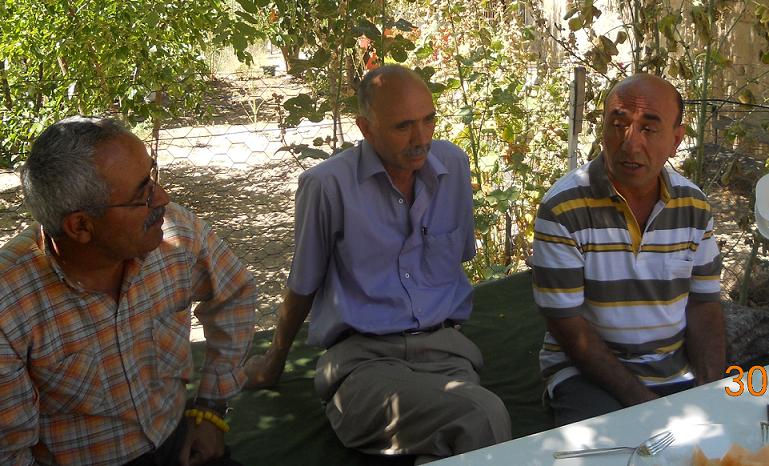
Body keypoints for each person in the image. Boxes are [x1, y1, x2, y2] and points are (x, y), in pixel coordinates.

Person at [244, 65, 511, 463]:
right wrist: (272, 364)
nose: (421, 138)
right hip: (363, 363)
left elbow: (454, 261)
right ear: (365, 129)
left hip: (448, 356)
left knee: (456, 438)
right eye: (403, 126)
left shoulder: (453, 166)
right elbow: (302, 286)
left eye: (429, 120)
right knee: (482, 415)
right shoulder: (327, 186)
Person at [0, 116, 257, 465]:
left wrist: (211, 409)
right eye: (142, 194)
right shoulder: (10, 303)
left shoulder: (177, 233)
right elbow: (10, 450)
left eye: (152, 176)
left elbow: (235, 295)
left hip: (180, 441)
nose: (163, 197)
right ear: (80, 226)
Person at [531, 74, 724, 426]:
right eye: (618, 124)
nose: (630, 143)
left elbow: (704, 302)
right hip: (585, 373)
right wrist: (645, 405)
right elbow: (566, 324)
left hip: (672, 367)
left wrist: (710, 389)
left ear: (676, 140)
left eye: (649, 129)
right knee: (614, 446)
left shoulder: (693, 206)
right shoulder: (563, 209)